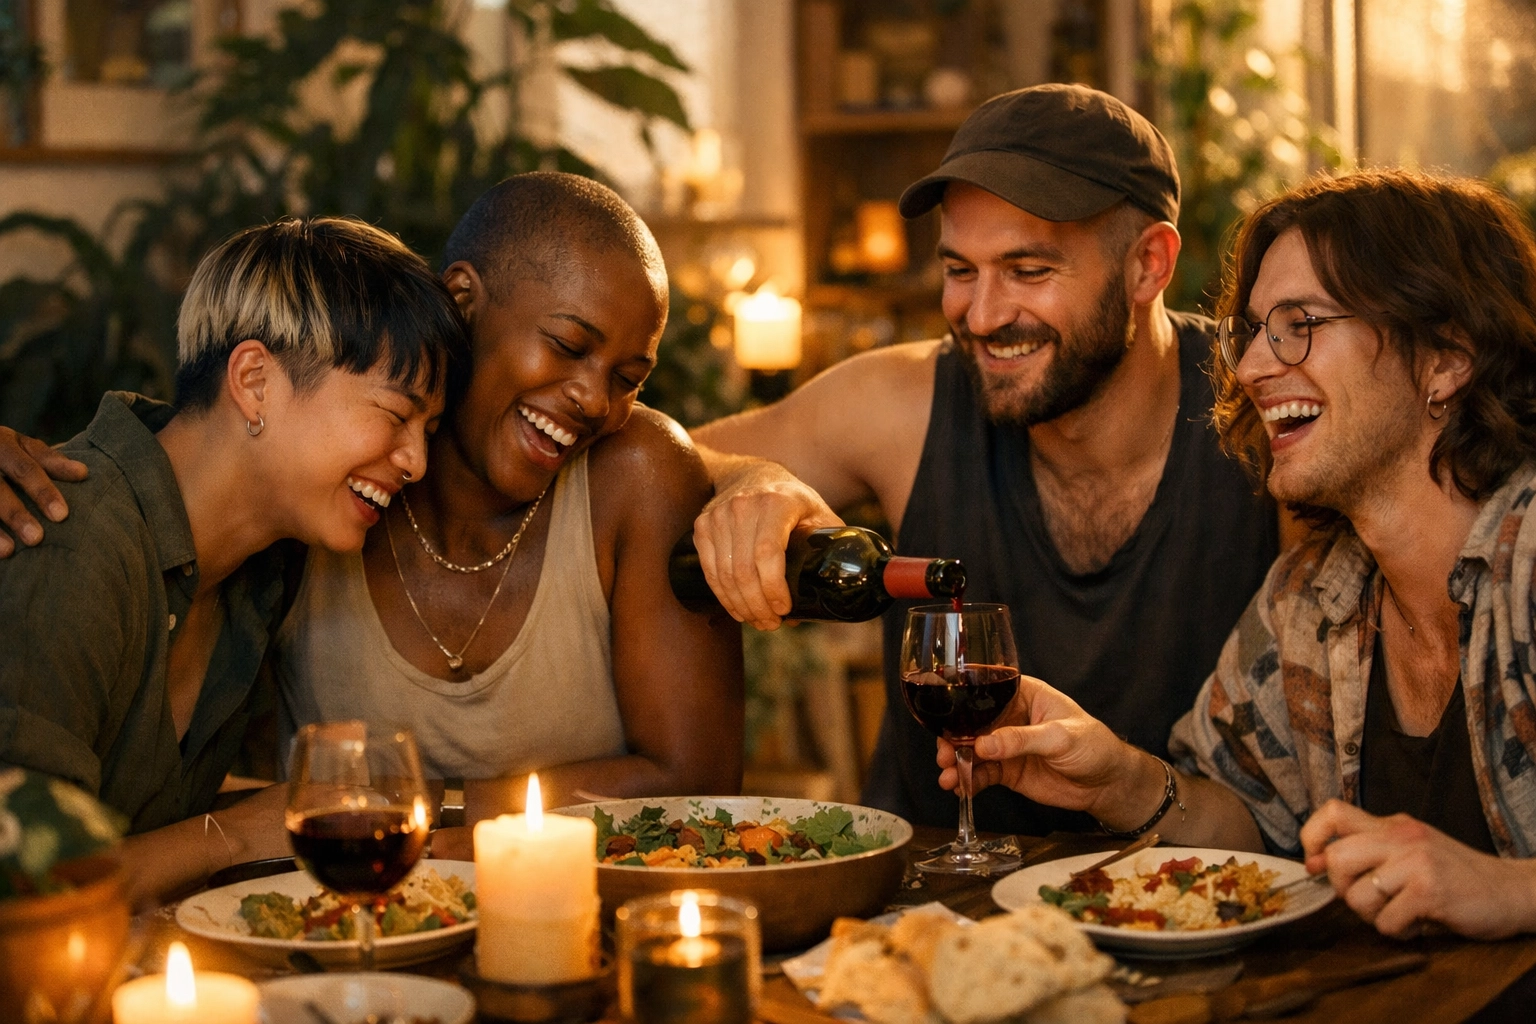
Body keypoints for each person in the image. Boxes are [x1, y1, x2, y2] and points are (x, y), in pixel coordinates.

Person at [943, 168, 1536, 940]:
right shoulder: (1314, 597)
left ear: (1447, 357)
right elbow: (1250, 825)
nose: (1253, 368)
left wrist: (1510, 890)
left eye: (1301, 323)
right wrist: (1116, 778)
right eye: (1253, 332)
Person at [690, 84, 1278, 834]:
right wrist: (752, 476)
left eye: (1029, 271)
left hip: (1200, 907)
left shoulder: (1264, 407)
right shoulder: (903, 402)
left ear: (1148, 266)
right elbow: (660, 461)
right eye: (960, 270)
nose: (983, 314)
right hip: (930, 917)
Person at [0, 217, 468, 903]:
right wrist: (242, 831)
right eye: (396, 415)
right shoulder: (70, 539)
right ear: (254, 381)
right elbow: (28, 887)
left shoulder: (263, 570)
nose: (417, 462)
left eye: (428, 431)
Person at [275, 173, 743, 854]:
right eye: (568, 345)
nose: (594, 399)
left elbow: (694, 781)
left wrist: (432, 816)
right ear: (462, 299)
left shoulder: (637, 475)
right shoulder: (327, 465)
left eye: (627, 377)